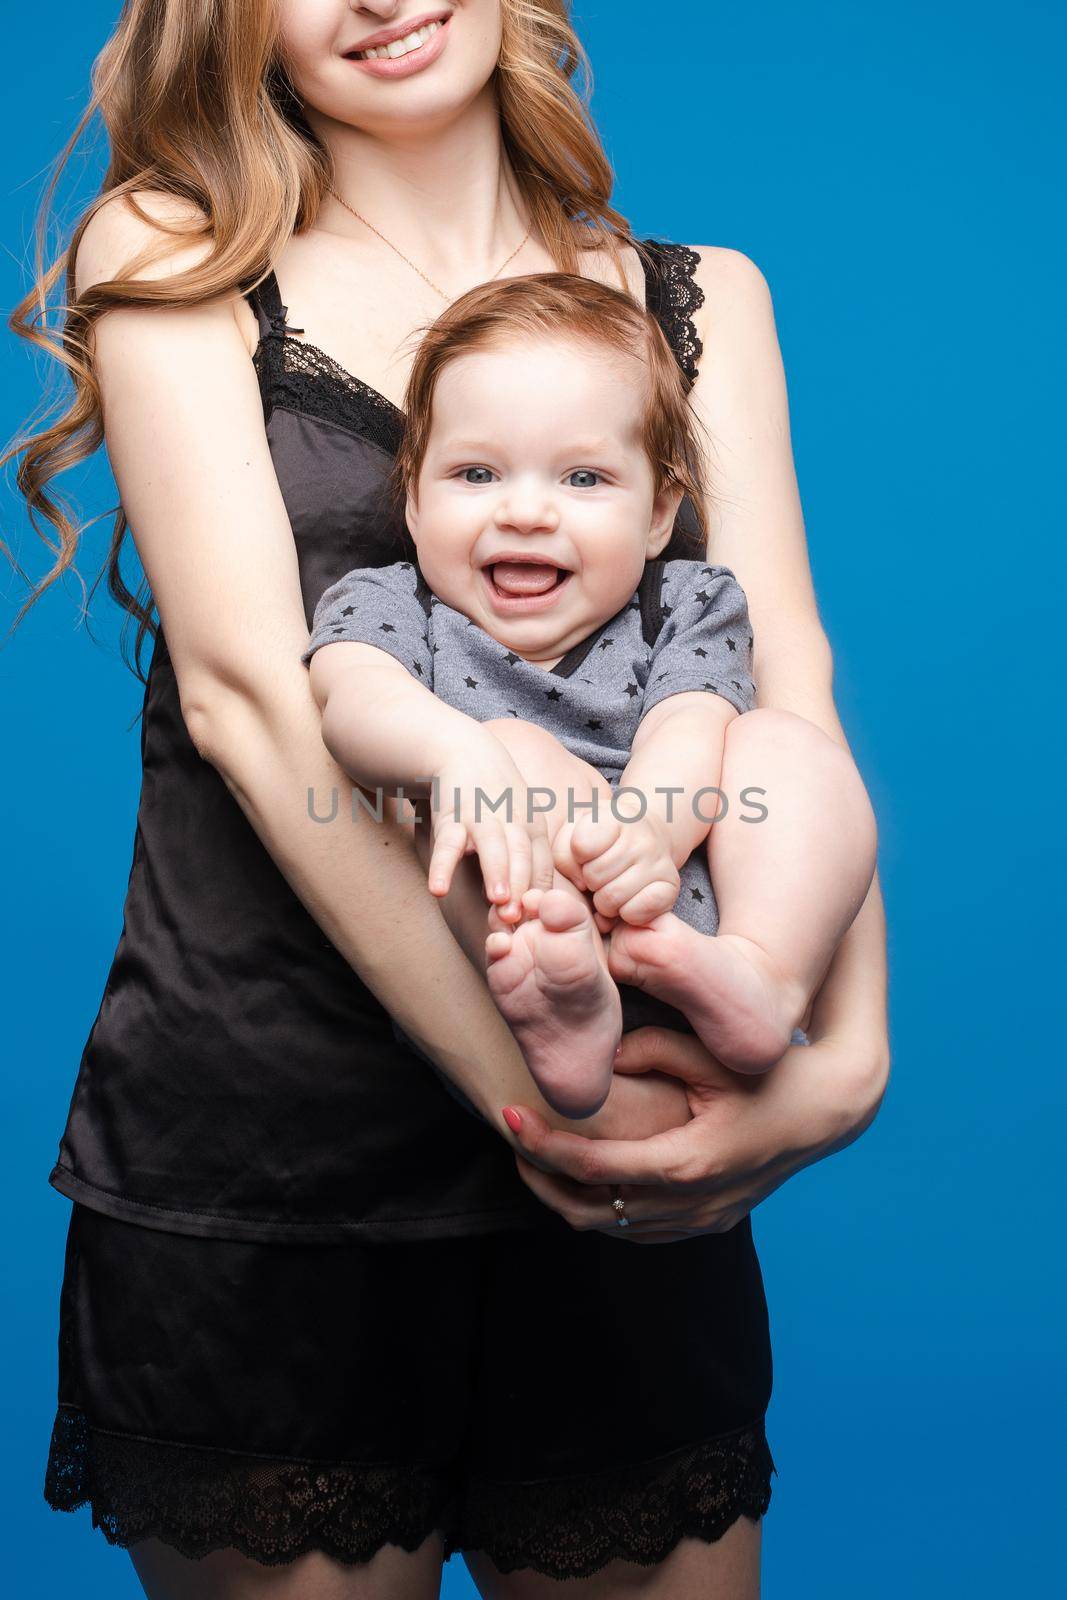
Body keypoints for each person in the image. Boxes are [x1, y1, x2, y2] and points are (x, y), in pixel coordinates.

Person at [4, 3, 890, 1595]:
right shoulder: (170, 251)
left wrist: (840, 1068)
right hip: (279, 1160)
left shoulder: (700, 299)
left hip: (646, 1136)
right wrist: (563, 1108)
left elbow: (783, 688)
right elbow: (255, 708)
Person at [304, 270, 877, 1118]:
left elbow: (694, 720)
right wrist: (459, 752)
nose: (527, 511)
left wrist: (648, 826)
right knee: (485, 768)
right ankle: (567, 1015)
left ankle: (762, 973)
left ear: (657, 515)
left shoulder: (686, 601)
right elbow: (351, 701)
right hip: (529, 918)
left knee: (787, 747)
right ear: (414, 504)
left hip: (687, 901)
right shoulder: (386, 604)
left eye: (582, 480)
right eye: (474, 474)